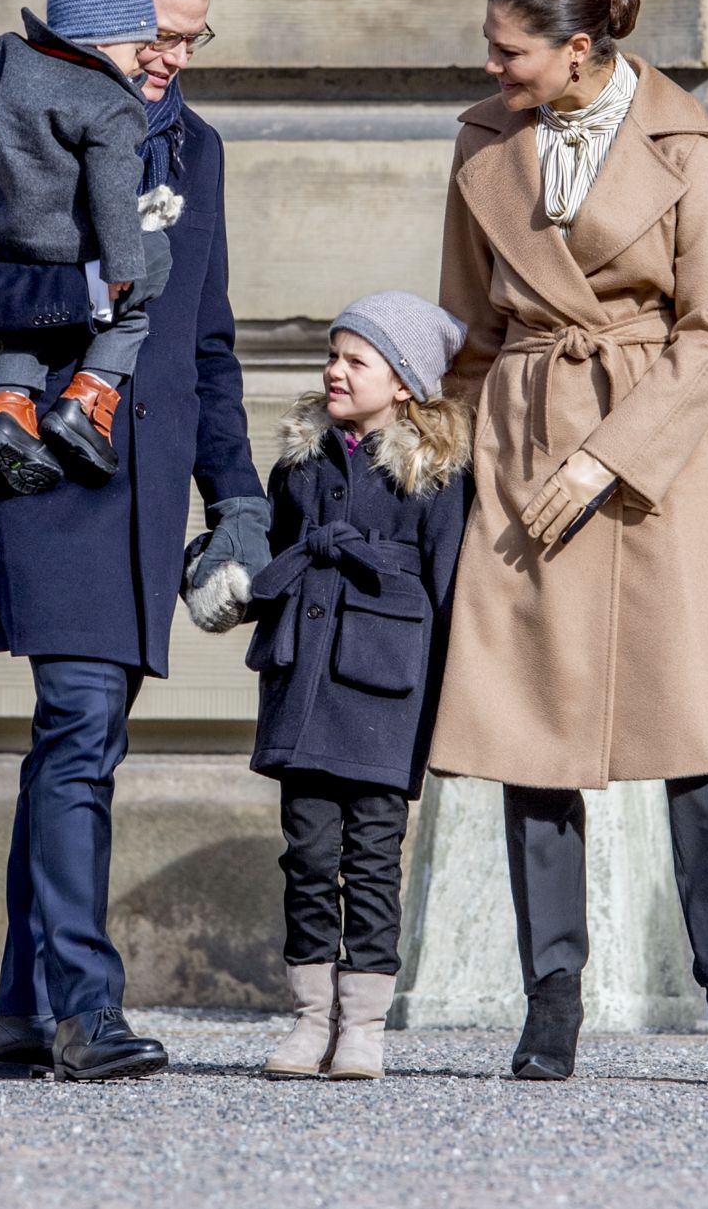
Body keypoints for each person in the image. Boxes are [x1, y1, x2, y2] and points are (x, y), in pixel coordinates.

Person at [0, 0, 270, 1083]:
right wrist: (81, 285)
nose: (171, 57)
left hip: (144, 474)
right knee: (76, 723)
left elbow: (206, 341)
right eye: (156, 33)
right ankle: (87, 1009)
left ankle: (20, 1010)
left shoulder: (197, 146)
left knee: (82, 736)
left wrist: (237, 498)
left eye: (190, 38)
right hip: (41, 464)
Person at [429, 0, 708, 1080]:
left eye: (509, 47)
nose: (490, 64)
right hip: (524, 437)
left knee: (696, 735)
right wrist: (438, 445)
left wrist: (608, 458)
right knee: (532, 732)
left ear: (577, 47)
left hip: (653, 457)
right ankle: (550, 1004)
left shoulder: (681, 136)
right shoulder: (483, 139)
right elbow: (465, 323)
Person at [194, 292, 473, 1080]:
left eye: (357, 359)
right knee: (309, 855)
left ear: (406, 382)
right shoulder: (300, 462)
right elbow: (271, 550)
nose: (334, 370)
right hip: (304, 682)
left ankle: (364, 1028)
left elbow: (452, 594)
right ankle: (310, 1020)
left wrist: (452, 711)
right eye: (333, 354)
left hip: (385, 694)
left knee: (374, 858)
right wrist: (223, 574)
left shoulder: (437, 478)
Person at [0, 0, 182, 493]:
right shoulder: (111, 102)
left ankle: (10, 407)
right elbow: (109, 191)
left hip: (1, 234)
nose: (141, 61)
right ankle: (88, 397)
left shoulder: (5, 56)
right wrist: (123, 265)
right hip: (65, 242)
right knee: (148, 278)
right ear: (102, 45)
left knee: (22, 326)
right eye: (134, 48)